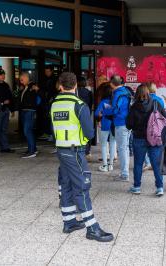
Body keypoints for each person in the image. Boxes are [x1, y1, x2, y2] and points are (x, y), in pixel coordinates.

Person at [51, 72, 113, 242]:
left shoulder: (54, 104)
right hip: (74, 150)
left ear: (60, 86)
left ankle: (69, 221)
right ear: (76, 86)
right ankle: (92, 228)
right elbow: (89, 132)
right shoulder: (79, 105)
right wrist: (84, 141)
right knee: (82, 185)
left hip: (61, 149)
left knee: (66, 184)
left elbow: (53, 128)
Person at [126, 84, 166, 196]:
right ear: (148, 92)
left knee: (138, 164)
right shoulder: (155, 103)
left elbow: (128, 125)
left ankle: (137, 187)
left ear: (137, 94)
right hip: (154, 138)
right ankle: (159, 188)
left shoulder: (134, 107)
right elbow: (165, 117)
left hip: (139, 138)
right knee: (156, 164)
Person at [102, 75, 132, 182]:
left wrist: (105, 111)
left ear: (111, 83)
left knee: (122, 149)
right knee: (125, 148)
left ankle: (124, 174)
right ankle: (125, 172)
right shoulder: (126, 91)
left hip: (121, 123)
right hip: (127, 123)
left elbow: (115, 110)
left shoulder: (118, 94)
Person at [95, 83, 116, 172]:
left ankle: (104, 165)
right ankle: (111, 164)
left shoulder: (103, 102)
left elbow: (97, 113)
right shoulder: (115, 101)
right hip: (114, 124)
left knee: (103, 145)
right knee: (113, 144)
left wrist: (102, 114)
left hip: (105, 124)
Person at [19, 72, 40, 159]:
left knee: (27, 130)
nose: (21, 81)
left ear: (27, 78)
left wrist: (37, 89)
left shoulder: (32, 86)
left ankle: (32, 151)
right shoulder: (26, 87)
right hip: (26, 111)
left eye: (22, 79)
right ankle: (32, 149)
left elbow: (38, 94)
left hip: (29, 111)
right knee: (28, 130)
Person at [76, 76, 94, 161]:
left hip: (76, 114)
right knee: (86, 132)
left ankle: (79, 150)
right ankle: (87, 151)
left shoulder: (75, 92)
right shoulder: (89, 92)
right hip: (87, 113)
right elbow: (91, 104)